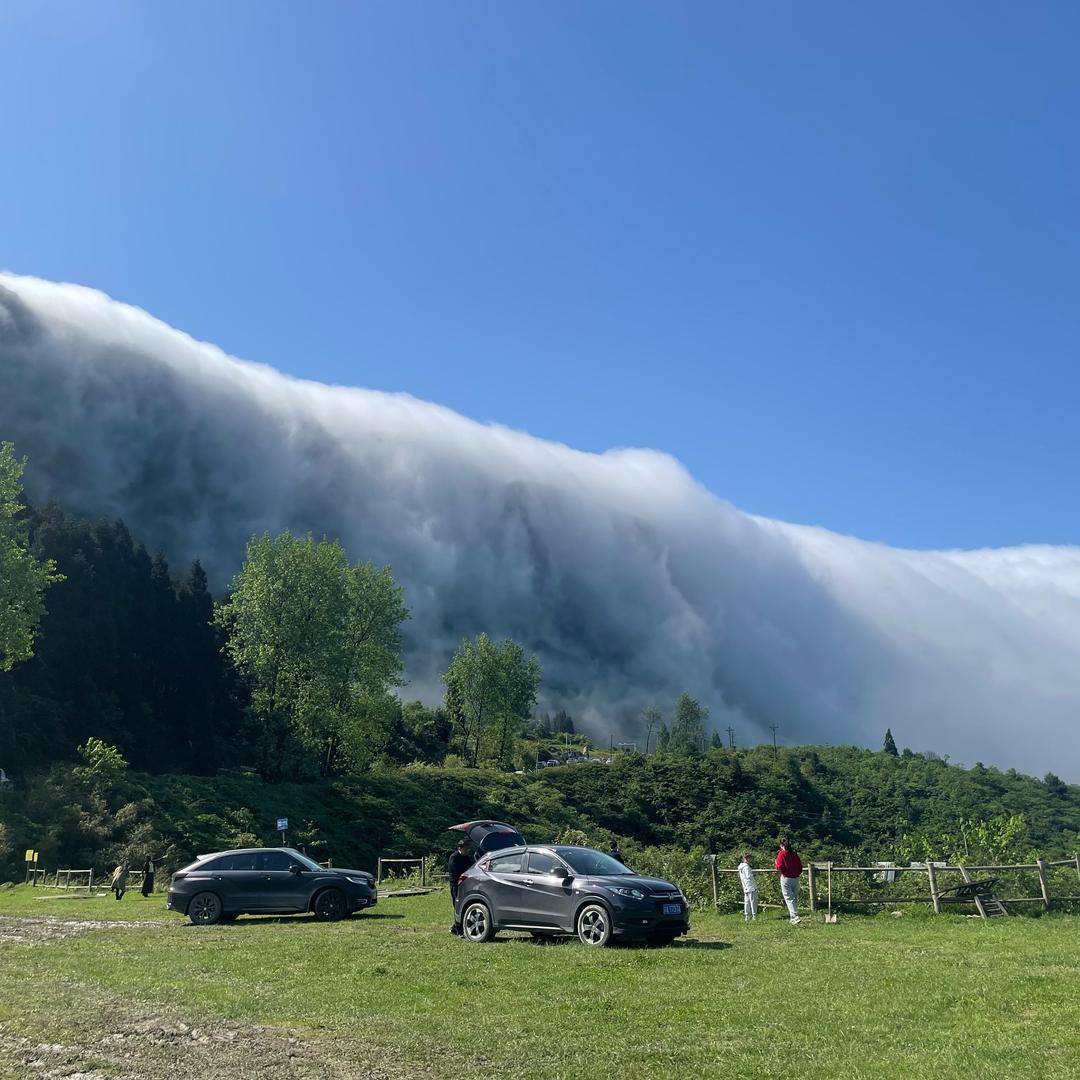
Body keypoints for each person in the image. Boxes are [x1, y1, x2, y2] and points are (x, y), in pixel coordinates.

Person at [447, 841, 472, 936]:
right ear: (460, 848)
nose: (467, 850)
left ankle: (454, 927)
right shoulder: (454, 857)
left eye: (467, 848)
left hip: (465, 883)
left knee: (463, 905)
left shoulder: (466, 857)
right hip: (456, 885)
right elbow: (455, 872)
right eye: (465, 848)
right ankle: (459, 931)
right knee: (457, 906)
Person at [775, 839, 803, 923]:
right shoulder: (794, 854)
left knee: (789, 898)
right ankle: (793, 917)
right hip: (796, 878)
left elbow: (779, 866)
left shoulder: (781, 853)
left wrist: (776, 863)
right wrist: (797, 873)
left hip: (786, 878)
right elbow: (800, 866)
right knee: (794, 898)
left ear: (782, 845)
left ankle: (795, 916)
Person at [738, 853, 758, 921]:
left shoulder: (741, 867)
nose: (748, 859)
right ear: (743, 859)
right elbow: (748, 876)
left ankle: (747, 916)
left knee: (746, 901)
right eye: (747, 858)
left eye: (749, 858)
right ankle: (754, 915)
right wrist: (753, 874)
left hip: (745, 886)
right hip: (750, 885)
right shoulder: (746, 866)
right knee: (753, 901)